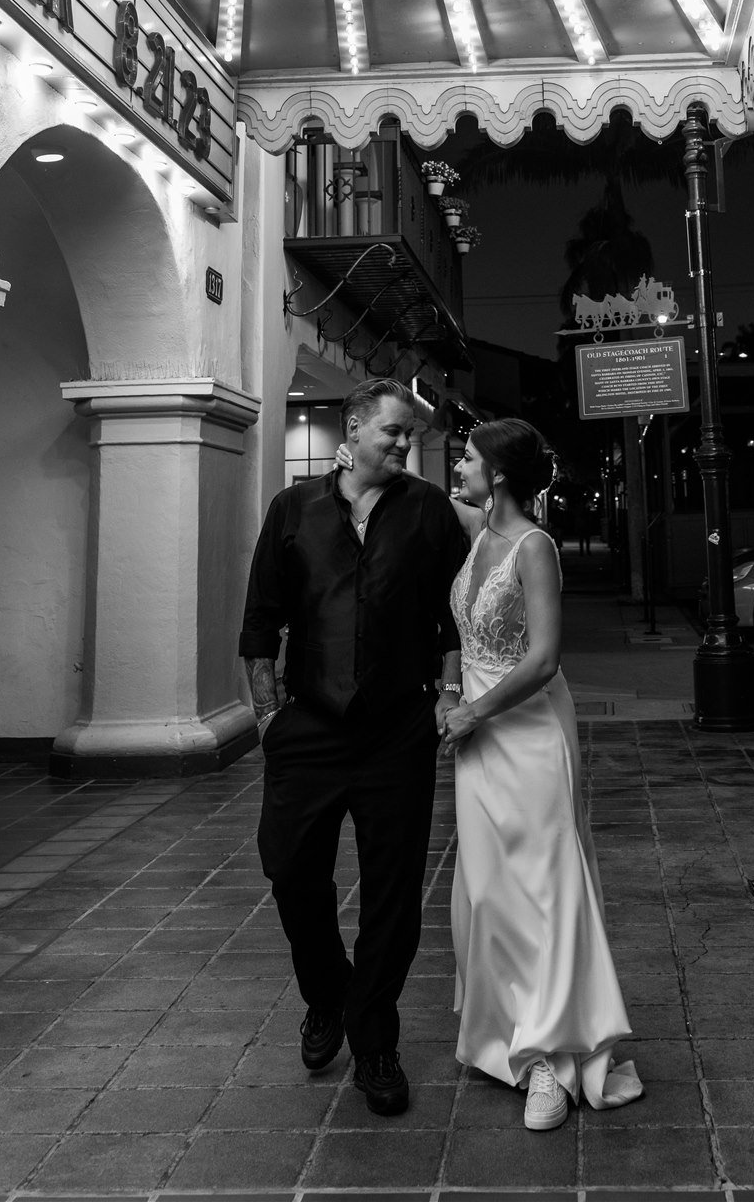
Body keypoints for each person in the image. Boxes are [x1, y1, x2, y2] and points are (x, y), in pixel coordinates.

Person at [238, 379, 469, 1117]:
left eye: (408, 436)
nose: (404, 446)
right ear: (356, 428)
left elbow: (457, 610)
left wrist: (449, 690)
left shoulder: (428, 510)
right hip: (307, 726)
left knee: (393, 894)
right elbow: (258, 622)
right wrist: (268, 716)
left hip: (396, 729)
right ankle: (326, 994)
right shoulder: (294, 508)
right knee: (288, 866)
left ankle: (374, 1042)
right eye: (394, 433)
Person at [443, 418, 643, 1132]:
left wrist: (472, 714)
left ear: (497, 474)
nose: (456, 465)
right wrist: (449, 696)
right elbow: (462, 634)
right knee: (489, 890)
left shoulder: (535, 547)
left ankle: (555, 1063)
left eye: (466, 458)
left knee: (545, 888)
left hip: (526, 733)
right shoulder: (476, 531)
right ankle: (508, 1042)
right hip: (477, 735)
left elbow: (544, 659)